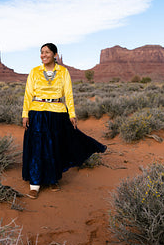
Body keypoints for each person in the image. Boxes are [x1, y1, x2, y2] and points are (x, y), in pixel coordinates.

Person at [22, 43, 107, 199]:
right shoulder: (34, 72)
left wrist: (72, 114)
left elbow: (68, 94)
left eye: (47, 52)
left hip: (57, 112)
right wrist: (25, 114)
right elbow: (28, 94)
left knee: (55, 146)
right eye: (41, 52)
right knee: (37, 147)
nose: (43, 55)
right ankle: (34, 185)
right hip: (37, 112)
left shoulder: (63, 72)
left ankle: (53, 179)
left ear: (55, 54)